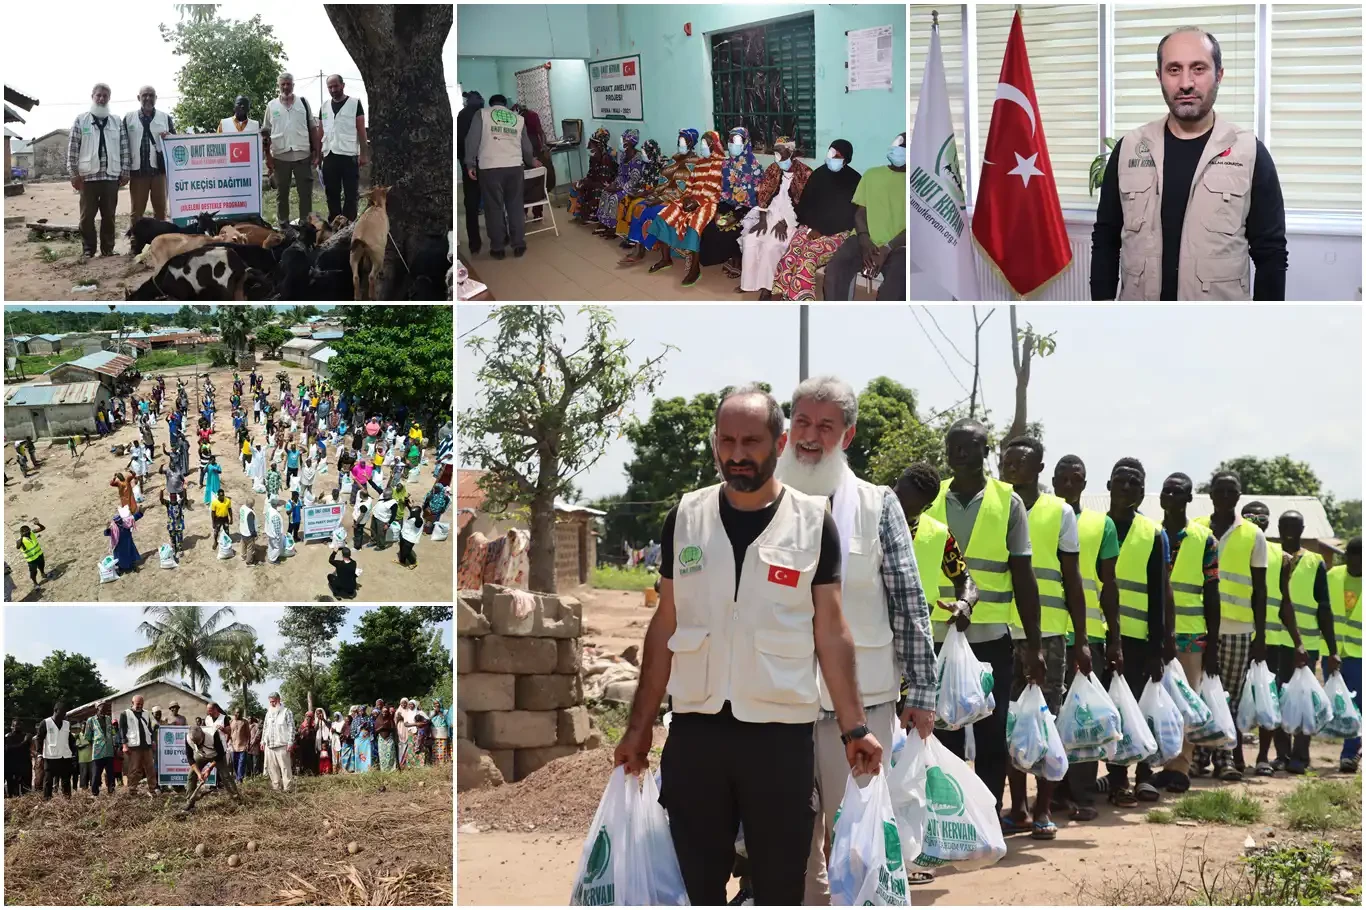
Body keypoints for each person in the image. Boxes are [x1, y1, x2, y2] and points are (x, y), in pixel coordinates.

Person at [613, 385, 882, 906]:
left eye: (751, 441)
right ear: (714, 444)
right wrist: (639, 726)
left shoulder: (811, 521)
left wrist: (854, 727)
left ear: (778, 444)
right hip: (696, 734)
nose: (737, 454)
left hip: (778, 740)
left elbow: (831, 629)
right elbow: (665, 623)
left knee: (781, 885)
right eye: (727, 440)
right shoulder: (685, 519)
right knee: (695, 883)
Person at [771, 377, 937, 901]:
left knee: (859, 842)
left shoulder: (878, 504)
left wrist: (924, 693)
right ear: (786, 428)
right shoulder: (762, 500)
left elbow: (909, 600)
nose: (811, 437)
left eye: (826, 426)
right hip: (779, 700)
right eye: (801, 423)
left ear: (849, 434)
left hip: (864, 708)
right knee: (787, 843)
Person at [1091, 26, 1286, 300]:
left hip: (1216, 329)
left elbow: (1271, 255)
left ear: (1219, 74)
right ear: (1159, 76)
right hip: (1140, 324)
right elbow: (1106, 242)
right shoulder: (1129, 149)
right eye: (1173, 69)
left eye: (1198, 68)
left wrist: (1262, 330)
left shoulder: (1250, 153)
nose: (1185, 83)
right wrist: (1101, 315)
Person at [920, 418, 1045, 819]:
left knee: (992, 735)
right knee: (943, 734)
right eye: (953, 446)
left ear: (985, 450)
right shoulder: (930, 500)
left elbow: (1024, 577)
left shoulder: (1008, 503)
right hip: (937, 638)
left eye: (969, 446)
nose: (959, 453)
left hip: (991, 638)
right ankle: (952, 818)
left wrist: (1033, 644)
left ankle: (987, 816)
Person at [998, 436, 1094, 837]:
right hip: (1002, 630)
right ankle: (1017, 806)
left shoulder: (1060, 513)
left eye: (1021, 463)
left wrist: (1082, 639)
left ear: (1040, 470)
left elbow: (1072, 580)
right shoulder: (995, 504)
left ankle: (1043, 808)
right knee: (1009, 723)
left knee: (1045, 721)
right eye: (1007, 463)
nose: (1011, 469)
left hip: (1051, 635)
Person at [1095, 458, 1171, 805]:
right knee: (1110, 710)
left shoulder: (1153, 533)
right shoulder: (1094, 526)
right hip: (1100, 633)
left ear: (1143, 492)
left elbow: (1159, 592)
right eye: (1121, 482)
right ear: (1109, 486)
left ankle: (1142, 776)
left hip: (1139, 638)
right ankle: (1117, 779)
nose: (1127, 489)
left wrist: (1159, 646)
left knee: (1137, 707)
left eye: (1135, 484)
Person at [1145, 472, 1220, 794]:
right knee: (1149, 701)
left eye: (1178, 493)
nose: (1171, 497)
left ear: (1190, 499)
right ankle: (1148, 764)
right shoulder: (1149, 532)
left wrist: (1213, 643)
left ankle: (1179, 766)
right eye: (1166, 491)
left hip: (1191, 635)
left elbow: (1213, 592)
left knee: (1185, 702)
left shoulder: (1205, 539)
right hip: (1150, 631)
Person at [1191, 471, 1267, 782]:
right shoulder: (1195, 529)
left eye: (1230, 491)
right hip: (1198, 623)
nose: (1224, 496)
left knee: (1229, 696)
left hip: (1237, 629)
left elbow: (1260, 590)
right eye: (1219, 490)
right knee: (1198, 694)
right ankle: (1196, 758)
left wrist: (1260, 635)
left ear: (1238, 496)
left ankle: (1225, 759)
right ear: (1210, 494)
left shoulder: (1253, 534)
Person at [771, 140, 861, 300]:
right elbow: (805, 205)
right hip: (810, 228)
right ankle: (778, 296)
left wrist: (823, 230)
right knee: (789, 257)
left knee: (807, 259)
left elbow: (849, 215)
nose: (831, 158)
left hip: (838, 233)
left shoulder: (854, 180)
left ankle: (801, 304)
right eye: (830, 154)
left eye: (837, 156)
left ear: (846, 159)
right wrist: (812, 227)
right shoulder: (819, 174)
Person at [823, 132, 906, 300]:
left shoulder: (917, 184)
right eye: (897, 145)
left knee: (895, 287)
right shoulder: (872, 175)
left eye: (904, 147)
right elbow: (860, 213)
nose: (898, 149)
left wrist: (887, 249)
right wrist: (864, 240)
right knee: (834, 271)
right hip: (863, 239)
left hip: (898, 247)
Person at [463, 93, 539, 259]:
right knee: (515, 207)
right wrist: (530, 161)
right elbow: (526, 146)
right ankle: (518, 245)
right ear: (505, 105)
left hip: (490, 168)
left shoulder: (482, 114)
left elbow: (472, 140)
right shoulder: (518, 118)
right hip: (514, 167)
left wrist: (470, 163)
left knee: (494, 208)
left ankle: (498, 248)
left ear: (491, 104)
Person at [646, 130, 726, 287]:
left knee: (695, 223)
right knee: (665, 214)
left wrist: (696, 202)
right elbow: (690, 184)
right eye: (702, 144)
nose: (702, 148)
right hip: (691, 198)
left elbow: (713, 189)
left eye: (705, 145)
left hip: (708, 202)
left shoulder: (720, 163)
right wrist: (688, 198)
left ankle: (695, 269)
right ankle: (665, 258)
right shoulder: (700, 163)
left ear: (713, 146)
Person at [735, 136, 811, 295]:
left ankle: (767, 287)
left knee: (772, 245)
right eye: (775, 153)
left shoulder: (805, 173)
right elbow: (763, 194)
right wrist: (762, 220)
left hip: (791, 221)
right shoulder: (772, 169)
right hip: (769, 215)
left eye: (781, 153)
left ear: (792, 152)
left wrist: (785, 222)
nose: (777, 157)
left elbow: (806, 205)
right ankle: (748, 283)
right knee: (751, 239)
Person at [68, 82, 130, 259]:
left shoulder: (116, 121)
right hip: (88, 177)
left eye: (105, 96)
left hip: (111, 176)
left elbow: (124, 148)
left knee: (109, 216)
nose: (102, 98)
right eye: (98, 95)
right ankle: (88, 249)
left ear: (109, 98)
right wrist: (73, 174)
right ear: (93, 97)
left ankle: (108, 249)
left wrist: (125, 171)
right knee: (87, 217)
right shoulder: (81, 120)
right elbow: (73, 148)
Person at [697, 126, 765, 275]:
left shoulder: (754, 167)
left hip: (747, 210)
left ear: (746, 143)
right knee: (712, 227)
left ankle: (738, 260)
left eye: (737, 141)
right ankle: (726, 257)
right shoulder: (726, 165)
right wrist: (719, 211)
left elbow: (756, 198)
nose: (732, 145)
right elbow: (723, 191)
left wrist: (737, 215)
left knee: (733, 230)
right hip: (728, 205)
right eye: (731, 141)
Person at [620, 130, 698, 255]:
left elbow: (684, 189)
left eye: (683, 141)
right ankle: (638, 248)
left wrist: (661, 199)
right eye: (679, 141)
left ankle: (642, 251)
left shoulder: (695, 163)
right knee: (639, 206)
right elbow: (663, 180)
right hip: (663, 195)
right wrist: (655, 195)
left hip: (678, 200)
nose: (680, 144)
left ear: (691, 143)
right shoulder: (674, 159)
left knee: (649, 211)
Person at [262, 72, 322, 226]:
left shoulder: (303, 103)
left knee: (305, 193)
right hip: (280, 156)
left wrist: (317, 151)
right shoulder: (271, 105)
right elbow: (265, 132)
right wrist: (267, 155)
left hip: (303, 154)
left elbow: (312, 127)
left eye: (289, 84)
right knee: (282, 194)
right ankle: (283, 225)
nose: (286, 87)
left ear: (293, 85)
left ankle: (305, 224)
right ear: (279, 86)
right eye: (283, 84)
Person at [1330, 537, 1362, 772]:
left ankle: (1349, 754)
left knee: (1357, 704)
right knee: (1336, 703)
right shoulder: (1332, 576)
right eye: (1354, 555)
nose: (1358, 561)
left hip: (1359, 653)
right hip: (1332, 650)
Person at [320, 74, 368, 223]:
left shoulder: (355, 103)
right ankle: (334, 223)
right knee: (332, 193)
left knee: (350, 194)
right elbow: (320, 130)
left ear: (342, 85)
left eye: (336, 86)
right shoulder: (324, 106)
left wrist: (364, 154)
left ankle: (349, 224)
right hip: (329, 154)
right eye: (330, 87)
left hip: (348, 155)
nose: (333, 89)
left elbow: (361, 130)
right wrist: (317, 153)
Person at [124, 85, 174, 222]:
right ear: (138, 97)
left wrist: (169, 136)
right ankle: (135, 243)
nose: (148, 98)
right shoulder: (128, 118)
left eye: (151, 95)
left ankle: (160, 242)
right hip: (137, 172)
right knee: (137, 212)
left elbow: (175, 144)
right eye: (145, 95)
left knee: (161, 212)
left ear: (156, 98)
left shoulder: (165, 118)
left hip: (159, 173)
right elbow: (123, 144)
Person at [594, 131, 655, 237]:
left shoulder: (637, 159)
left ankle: (613, 228)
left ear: (630, 143)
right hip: (620, 184)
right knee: (605, 193)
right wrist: (612, 185)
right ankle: (604, 223)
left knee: (615, 197)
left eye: (623, 140)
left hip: (633, 187)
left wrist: (618, 189)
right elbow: (620, 174)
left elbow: (634, 181)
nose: (621, 142)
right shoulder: (623, 156)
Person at [182, 724, 241, 813]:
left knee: (225, 776)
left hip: (216, 755)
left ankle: (237, 800)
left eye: (200, 742)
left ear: (202, 734)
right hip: (201, 755)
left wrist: (209, 769)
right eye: (196, 743)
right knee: (191, 775)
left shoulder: (213, 735)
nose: (198, 744)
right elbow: (190, 758)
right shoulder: (188, 738)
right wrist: (199, 774)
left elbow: (221, 754)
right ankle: (190, 802)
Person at [568, 127, 618, 224]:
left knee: (596, 190)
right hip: (595, 180)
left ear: (599, 145)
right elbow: (591, 174)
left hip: (608, 183)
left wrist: (588, 183)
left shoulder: (606, 157)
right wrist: (584, 181)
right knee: (576, 185)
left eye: (592, 144)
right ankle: (579, 214)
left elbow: (604, 180)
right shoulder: (594, 156)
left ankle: (593, 216)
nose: (589, 147)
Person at [120, 695, 160, 796]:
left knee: (150, 769)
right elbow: (122, 730)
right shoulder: (125, 714)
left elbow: (149, 729)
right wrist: (124, 745)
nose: (140, 706)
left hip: (146, 745)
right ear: (132, 702)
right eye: (138, 704)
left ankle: (153, 789)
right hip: (134, 746)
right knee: (134, 769)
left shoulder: (146, 713)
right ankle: (132, 790)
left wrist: (153, 741)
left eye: (141, 704)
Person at [37, 701, 77, 800]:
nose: (63, 715)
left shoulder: (67, 724)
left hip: (65, 756)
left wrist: (74, 753)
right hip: (50, 757)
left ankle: (67, 800)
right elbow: (39, 739)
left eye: (65, 713)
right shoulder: (45, 723)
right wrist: (39, 754)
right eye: (62, 712)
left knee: (66, 781)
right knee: (48, 781)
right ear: (55, 710)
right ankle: (47, 800)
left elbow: (70, 739)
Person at [84, 700, 118, 797]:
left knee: (111, 774)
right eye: (102, 706)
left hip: (109, 751)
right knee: (96, 774)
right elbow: (88, 737)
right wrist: (96, 745)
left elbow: (113, 733)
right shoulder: (91, 720)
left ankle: (111, 792)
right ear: (97, 708)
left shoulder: (108, 719)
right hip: (98, 752)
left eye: (106, 707)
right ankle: (95, 794)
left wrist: (114, 745)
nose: (105, 708)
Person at [263, 692, 295, 792]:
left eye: (273, 702)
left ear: (278, 700)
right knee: (272, 769)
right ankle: (276, 787)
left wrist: (290, 742)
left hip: (282, 745)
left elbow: (291, 728)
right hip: (270, 746)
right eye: (270, 702)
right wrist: (262, 741)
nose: (272, 704)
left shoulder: (286, 711)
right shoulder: (268, 713)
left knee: (285, 768)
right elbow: (265, 728)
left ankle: (288, 788)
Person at [105, 506, 143, 575]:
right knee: (120, 558)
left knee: (131, 554)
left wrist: (139, 512)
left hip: (128, 542)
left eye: (120, 520)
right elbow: (106, 533)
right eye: (118, 521)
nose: (120, 522)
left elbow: (134, 518)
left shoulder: (126, 522)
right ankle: (120, 568)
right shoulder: (113, 528)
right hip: (119, 545)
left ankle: (133, 566)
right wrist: (107, 527)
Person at [5, 719, 33, 797]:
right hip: (12, 766)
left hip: (25, 765)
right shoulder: (8, 737)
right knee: (14, 791)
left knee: (26, 790)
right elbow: (8, 749)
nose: (17, 727)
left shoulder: (26, 736)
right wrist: (24, 743)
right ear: (11, 727)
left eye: (19, 725)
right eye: (15, 725)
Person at [16, 519, 47, 587]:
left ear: (29, 530)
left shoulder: (32, 533)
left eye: (28, 531)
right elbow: (18, 547)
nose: (27, 533)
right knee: (33, 572)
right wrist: (21, 537)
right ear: (21, 533)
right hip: (31, 560)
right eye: (25, 533)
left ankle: (43, 573)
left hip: (39, 554)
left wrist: (38, 524)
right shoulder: (20, 540)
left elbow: (43, 528)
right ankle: (35, 583)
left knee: (42, 565)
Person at [230, 709, 251, 782]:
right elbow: (230, 733)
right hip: (233, 746)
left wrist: (247, 744)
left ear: (241, 713)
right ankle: (237, 776)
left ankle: (239, 778)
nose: (236, 714)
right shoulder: (231, 721)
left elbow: (248, 734)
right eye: (235, 712)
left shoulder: (245, 722)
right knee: (234, 763)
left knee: (241, 763)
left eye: (238, 712)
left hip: (242, 746)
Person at [429, 698, 451, 764]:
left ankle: (443, 762)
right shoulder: (431, 712)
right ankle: (435, 762)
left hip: (443, 732)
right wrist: (434, 714)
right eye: (435, 704)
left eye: (437, 703)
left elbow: (448, 720)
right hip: (434, 732)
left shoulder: (446, 711)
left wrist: (440, 713)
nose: (436, 705)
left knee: (443, 746)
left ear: (440, 704)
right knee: (435, 747)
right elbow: (428, 721)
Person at [354, 706, 375, 773]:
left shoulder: (369, 718)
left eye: (362, 710)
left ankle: (367, 769)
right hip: (358, 738)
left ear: (365, 710)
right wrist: (360, 727)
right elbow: (352, 729)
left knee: (367, 752)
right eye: (360, 711)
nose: (361, 712)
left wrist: (367, 727)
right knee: (358, 752)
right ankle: (359, 769)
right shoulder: (355, 719)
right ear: (358, 711)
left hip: (366, 738)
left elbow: (372, 727)